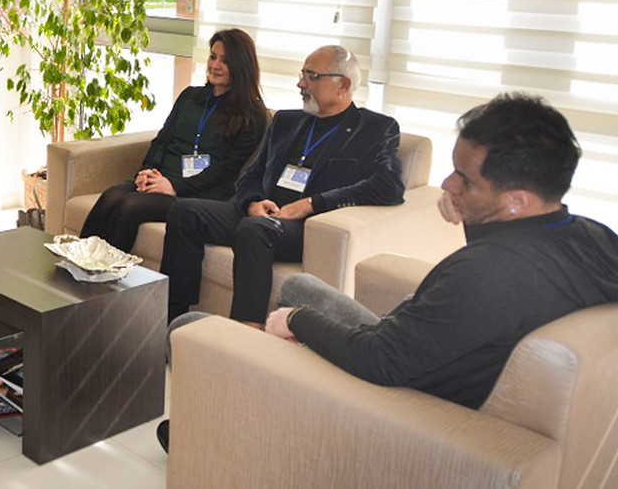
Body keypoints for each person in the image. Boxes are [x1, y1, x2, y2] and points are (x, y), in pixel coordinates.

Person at [156, 92, 618, 452]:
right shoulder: (593, 237)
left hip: (395, 392)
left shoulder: (485, 275)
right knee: (299, 284)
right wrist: (474, 210)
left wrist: (294, 322)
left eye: (465, 180)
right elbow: (503, 279)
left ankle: (222, 431)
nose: (448, 185)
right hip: (423, 348)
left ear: (517, 200)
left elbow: (379, 360)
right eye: (452, 171)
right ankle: (247, 390)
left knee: (191, 326)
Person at [159, 45, 405, 324]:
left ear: (343, 85)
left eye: (311, 76)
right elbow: (252, 173)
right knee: (185, 212)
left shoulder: (374, 129)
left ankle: (246, 327)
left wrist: (312, 203)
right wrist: (251, 201)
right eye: (302, 74)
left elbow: (389, 186)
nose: (301, 83)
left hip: (306, 225)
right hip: (262, 212)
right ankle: (172, 316)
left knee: (255, 231)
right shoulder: (287, 121)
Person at [78, 29, 268, 252]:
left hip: (199, 195)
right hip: (162, 180)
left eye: (225, 61)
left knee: (130, 205)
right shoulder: (190, 96)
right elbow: (162, 141)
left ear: (241, 65)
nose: (215, 65)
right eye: (212, 56)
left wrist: (174, 186)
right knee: (111, 197)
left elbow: (226, 170)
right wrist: (147, 172)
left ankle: (106, 276)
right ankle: (78, 264)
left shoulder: (251, 114)